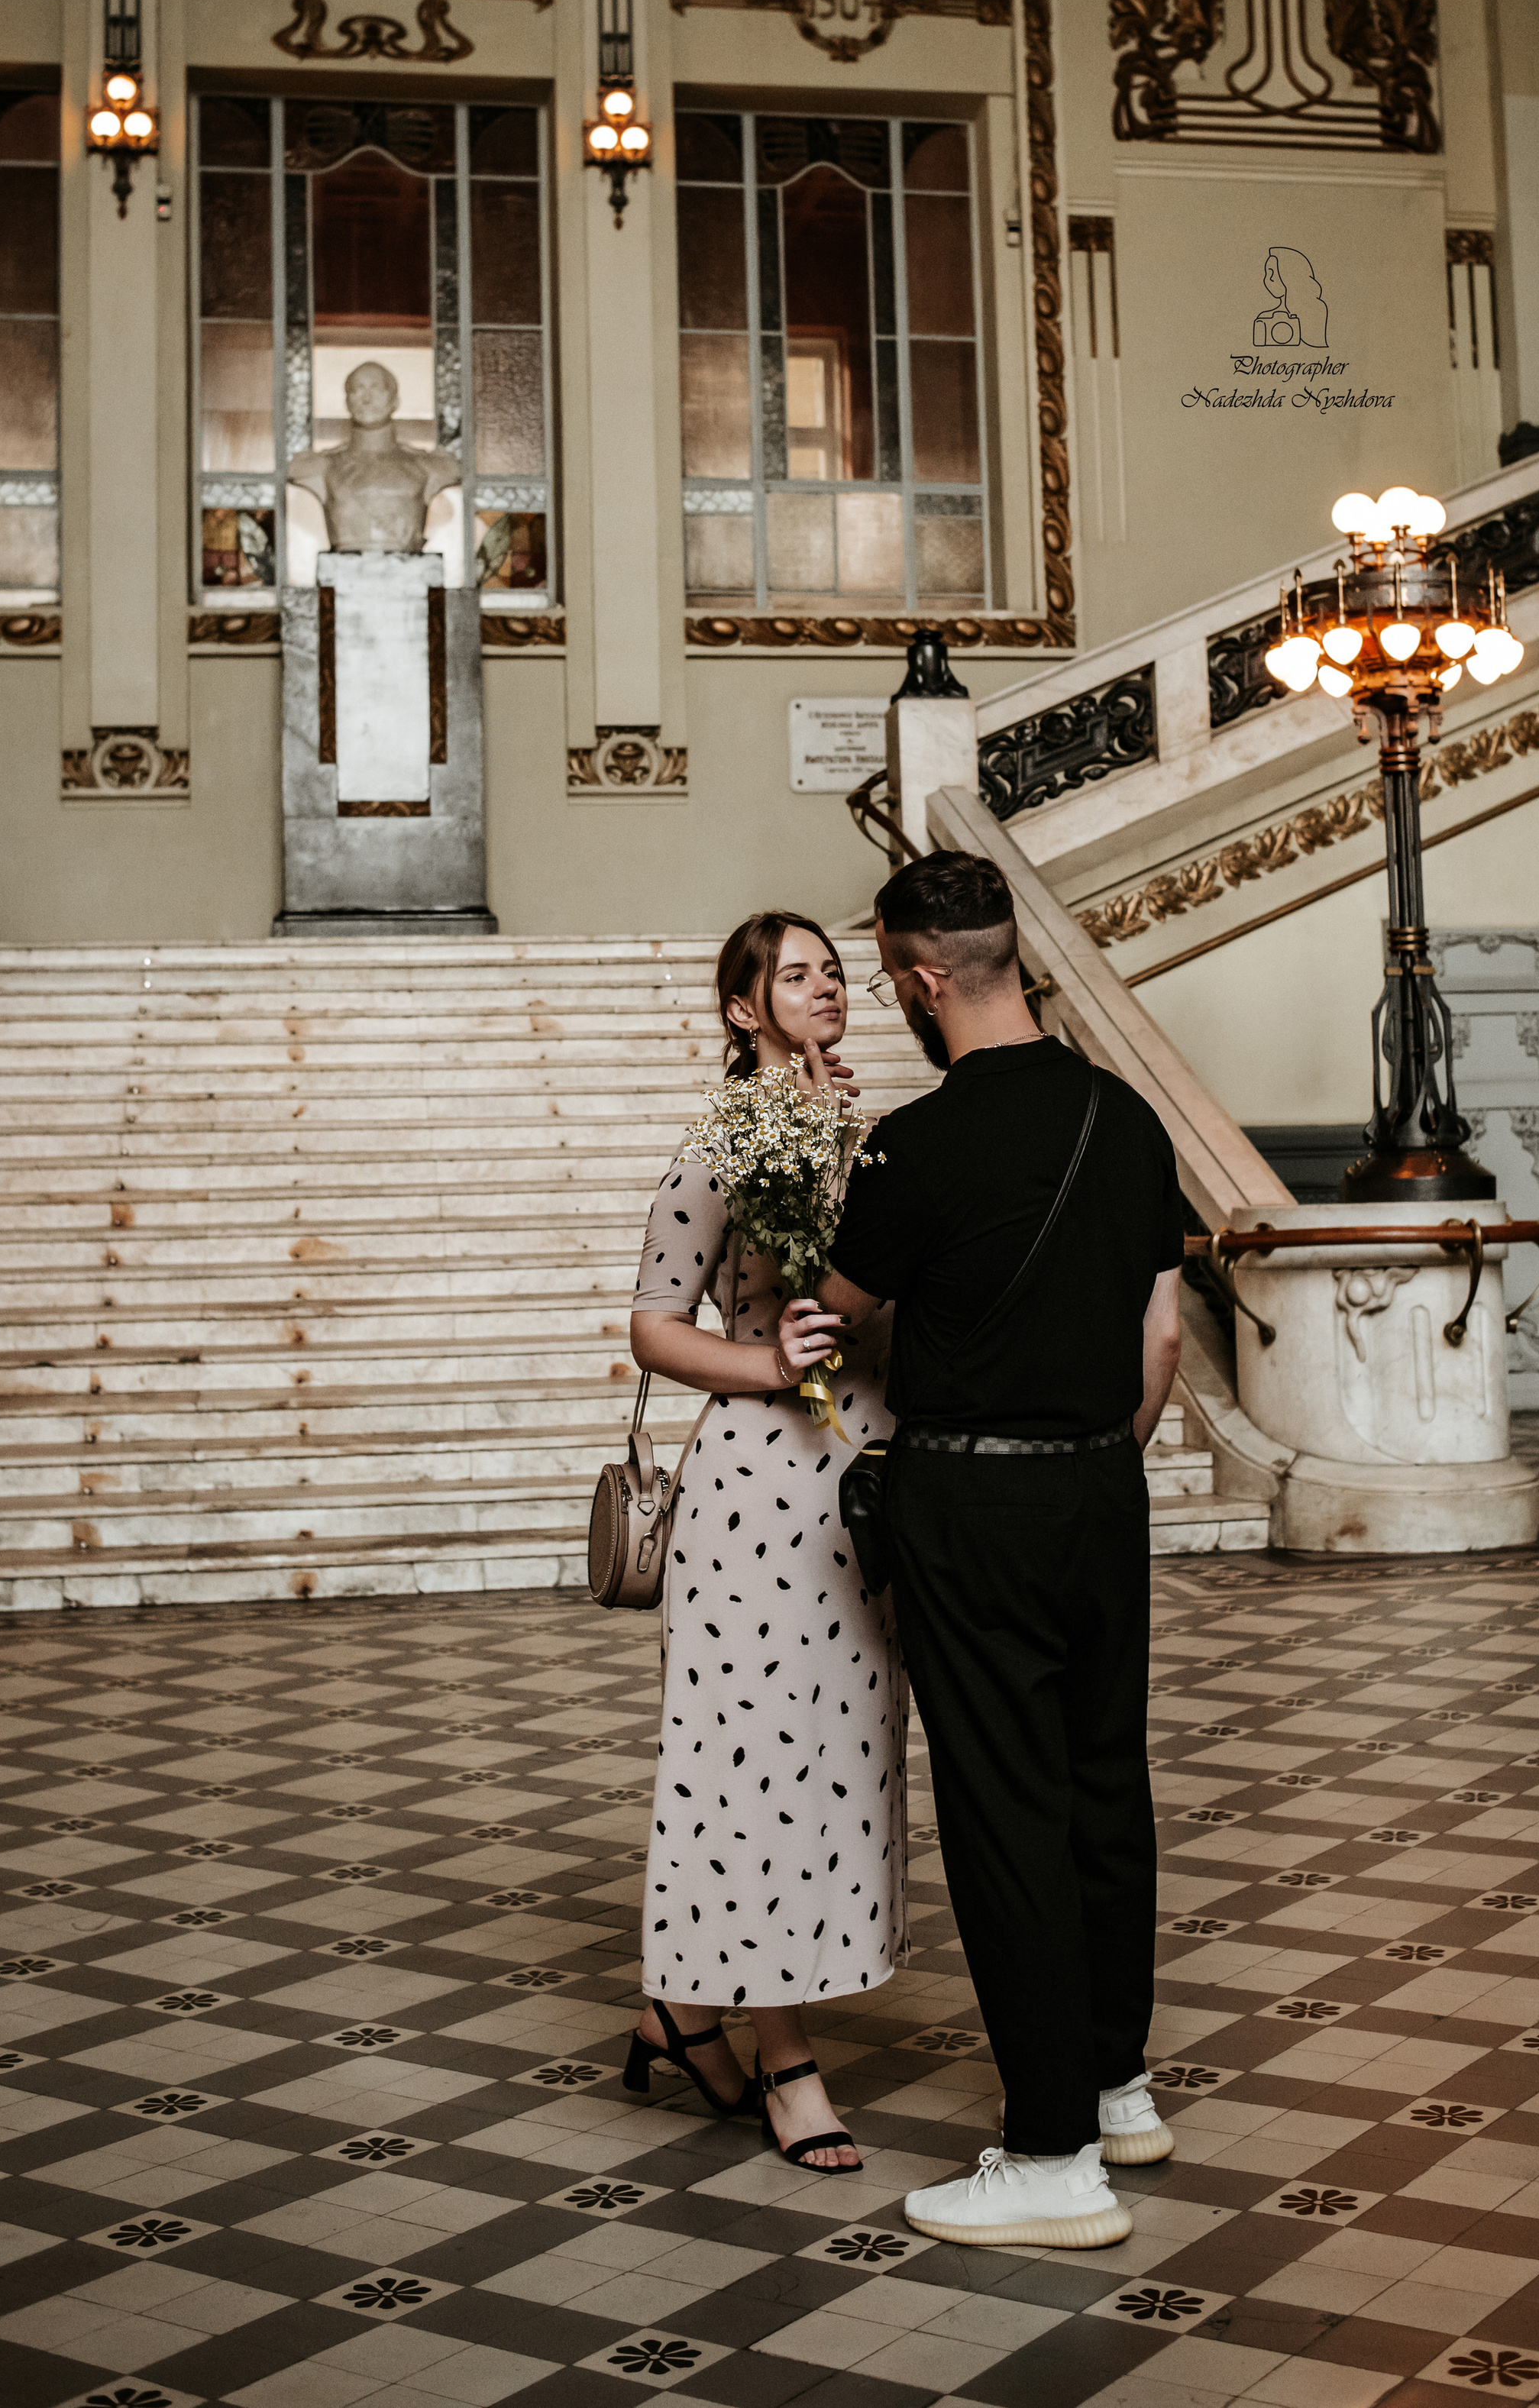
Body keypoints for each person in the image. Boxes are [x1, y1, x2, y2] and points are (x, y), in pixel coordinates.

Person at [816, 851, 1185, 2250]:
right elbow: (1158, 1337)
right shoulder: (1127, 1116)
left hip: (977, 1500)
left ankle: (1049, 2157)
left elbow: (839, 1312)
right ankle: (1117, 2084)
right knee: (1104, 1787)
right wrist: (1096, 1461)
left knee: (1005, 1810)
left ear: (920, 979)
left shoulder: (919, 1144)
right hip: (1103, 1489)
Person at [624, 913, 907, 2176]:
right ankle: (783, 2055)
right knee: (752, 1768)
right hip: (752, 1492)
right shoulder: (724, 1143)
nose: (827, 987)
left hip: (864, 1471)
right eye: (796, 975)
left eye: (835, 972)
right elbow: (650, 1325)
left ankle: (682, 2012)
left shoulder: (866, 1136)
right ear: (744, 1009)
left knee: (843, 1755)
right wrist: (763, 1360)